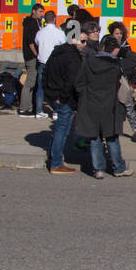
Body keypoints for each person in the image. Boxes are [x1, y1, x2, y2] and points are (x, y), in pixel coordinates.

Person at [73, 35, 132, 178]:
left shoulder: (88, 62)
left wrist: (86, 95)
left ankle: (98, 169)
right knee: (112, 137)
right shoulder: (116, 66)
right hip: (110, 105)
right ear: (115, 49)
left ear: (102, 47)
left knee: (95, 137)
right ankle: (118, 168)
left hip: (90, 103)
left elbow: (79, 84)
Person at [41, 30, 88, 173]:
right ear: (73, 40)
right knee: (63, 130)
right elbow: (71, 82)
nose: (85, 45)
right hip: (64, 99)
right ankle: (56, 163)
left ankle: (52, 156)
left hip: (54, 95)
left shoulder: (57, 52)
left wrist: (49, 94)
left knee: (59, 129)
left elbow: (44, 72)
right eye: (83, 41)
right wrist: (62, 98)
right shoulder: (73, 57)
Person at [109, 22, 136, 141]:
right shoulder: (107, 45)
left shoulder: (125, 47)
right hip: (111, 79)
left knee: (128, 105)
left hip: (125, 79)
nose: (118, 35)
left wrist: (133, 80)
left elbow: (133, 63)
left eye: (120, 33)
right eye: (116, 33)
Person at [32, 14, 67, 118]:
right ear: (55, 19)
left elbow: (37, 43)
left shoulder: (40, 32)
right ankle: (56, 110)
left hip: (42, 62)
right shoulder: (59, 33)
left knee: (40, 87)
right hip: (55, 62)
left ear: (45, 20)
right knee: (56, 87)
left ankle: (38, 111)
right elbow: (64, 44)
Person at [18, 3, 45, 116]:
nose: (41, 14)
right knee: (29, 82)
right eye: (40, 11)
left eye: (42, 12)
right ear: (34, 11)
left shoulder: (35, 22)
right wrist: (37, 55)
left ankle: (28, 106)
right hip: (31, 56)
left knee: (32, 82)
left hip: (32, 56)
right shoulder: (31, 23)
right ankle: (24, 108)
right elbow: (31, 43)